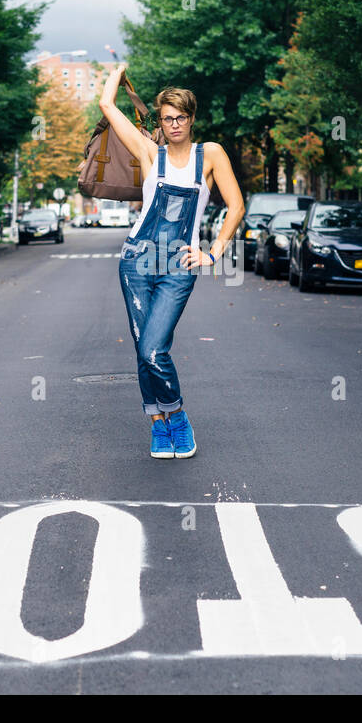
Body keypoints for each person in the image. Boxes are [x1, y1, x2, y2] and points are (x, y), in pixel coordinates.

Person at [99, 65, 244, 459]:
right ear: (159, 123)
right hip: (136, 261)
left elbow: (236, 206)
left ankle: (176, 415)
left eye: (181, 117)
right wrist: (118, 71)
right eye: (167, 118)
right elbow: (106, 104)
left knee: (153, 349)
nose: (175, 124)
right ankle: (159, 425)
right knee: (142, 349)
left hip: (179, 266)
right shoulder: (150, 152)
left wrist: (213, 252)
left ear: (191, 118)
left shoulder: (210, 154)